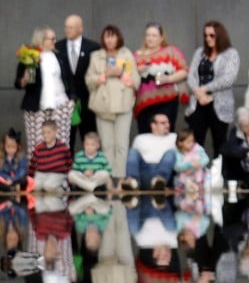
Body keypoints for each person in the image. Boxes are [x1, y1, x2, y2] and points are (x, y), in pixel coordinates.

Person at [85, 24, 139, 182]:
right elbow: (89, 80)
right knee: (107, 145)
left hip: (123, 104)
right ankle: (108, 180)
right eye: (106, 36)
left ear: (118, 37)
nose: (109, 40)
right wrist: (104, 75)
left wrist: (121, 73)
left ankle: (121, 179)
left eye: (112, 36)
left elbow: (136, 80)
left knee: (121, 145)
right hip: (103, 105)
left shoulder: (127, 54)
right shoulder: (96, 56)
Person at [186, 20, 240, 156]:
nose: (208, 38)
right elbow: (191, 75)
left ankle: (219, 175)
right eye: (205, 35)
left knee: (220, 142)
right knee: (195, 142)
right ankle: (197, 175)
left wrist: (205, 89)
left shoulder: (231, 53)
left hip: (219, 104)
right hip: (198, 103)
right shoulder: (199, 52)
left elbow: (228, 79)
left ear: (220, 35)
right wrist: (199, 94)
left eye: (212, 35)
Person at [18, 26, 75, 153]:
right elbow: (18, 83)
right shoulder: (29, 57)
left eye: (55, 38)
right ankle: (37, 171)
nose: (55, 41)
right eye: (52, 39)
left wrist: (72, 100)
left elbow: (70, 78)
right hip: (36, 106)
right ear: (42, 40)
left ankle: (60, 170)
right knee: (36, 142)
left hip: (60, 104)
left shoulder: (60, 56)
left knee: (61, 140)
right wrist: (24, 80)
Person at [54, 14, 101, 149]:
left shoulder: (93, 47)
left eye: (71, 27)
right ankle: (67, 167)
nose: (67, 30)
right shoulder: (58, 46)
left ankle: (92, 167)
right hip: (65, 101)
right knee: (66, 138)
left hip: (87, 100)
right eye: (66, 27)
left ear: (80, 29)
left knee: (89, 136)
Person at [134, 22, 188, 133]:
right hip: (144, 104)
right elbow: (128, 76)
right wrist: (138, 70)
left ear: (161, 37)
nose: (150, 38)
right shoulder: (137, 55)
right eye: (148, 35)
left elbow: (184, 71)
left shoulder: (171, 51)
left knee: (166, 135)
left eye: (154, 35)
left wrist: (169, 79)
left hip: (167, 101)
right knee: (146, 135)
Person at [122, 113, 176, 191]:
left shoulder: (174, 137)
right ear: (153, 125)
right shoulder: (140, 138)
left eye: (168, 122)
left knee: (171, 153)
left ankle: (159, 181)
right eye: (163, 123)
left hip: (165, 174)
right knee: (133, 152)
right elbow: (133, 161)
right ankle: (132, 181)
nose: (167, 125)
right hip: (144, 172)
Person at [29, 119, 72, 191]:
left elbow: (69, 164)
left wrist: (69, 181)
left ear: (55, 132)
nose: (45, 135)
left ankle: (63, 187)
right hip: (42, 174)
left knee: (48, 186)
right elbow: (32, 165)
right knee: (35, 187)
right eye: (43, 133)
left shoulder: (63, 147)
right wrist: (30, 178)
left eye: (48, 132)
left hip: (57, 174)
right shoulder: (39, 148)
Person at [173, 128, 209, 193]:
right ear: (180, 143)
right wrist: (189, 164)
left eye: (192, 141)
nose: (191, 144)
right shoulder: (177, 152)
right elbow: (177, 167)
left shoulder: (197, 148)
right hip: (184, 177)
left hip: (197, 175)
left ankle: (198, 184)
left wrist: (199, 163)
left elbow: (206, 159)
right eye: (188, 142)